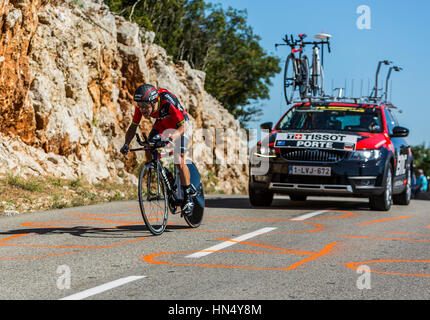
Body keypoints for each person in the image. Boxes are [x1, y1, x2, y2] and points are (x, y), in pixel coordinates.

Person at [120, 84, 196, 216]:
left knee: (179, 158)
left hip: (180, 125)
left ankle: (188, 196)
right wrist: (126, 143)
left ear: (155, 101)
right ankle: (164, 174)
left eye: (145, 106)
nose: (142, 110)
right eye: (140, 106)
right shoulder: (142, 105)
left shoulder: (167, 100)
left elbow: (182, 127)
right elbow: (133, 126)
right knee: (148, 147)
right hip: (162, 124)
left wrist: (172, 138)